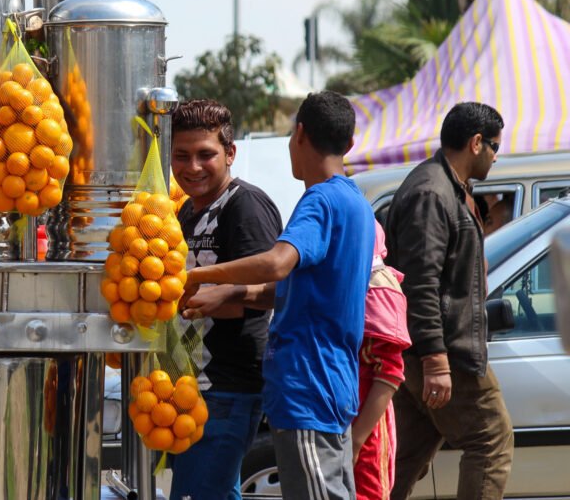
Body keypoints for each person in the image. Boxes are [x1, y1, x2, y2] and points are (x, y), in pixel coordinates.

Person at [183, 91, 376, 500]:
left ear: (299, 133)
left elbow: (276, 263)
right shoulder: (355, 201)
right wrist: (229, 292)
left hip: (307, 383)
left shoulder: (319, 200)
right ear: (350, 144)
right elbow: (292, 290)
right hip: (331, 383)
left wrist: (199, 275)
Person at [385, 102, 513, 500]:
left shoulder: (447, 186)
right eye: (494, 147)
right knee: (491, 441)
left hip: (425, 353)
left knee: (402, 459)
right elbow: (420, 283)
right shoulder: (432, 192)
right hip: (447, 355)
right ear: (476, 143)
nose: (495, 157)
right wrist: (436, 360)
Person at [166, 99, 282, 500]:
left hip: (229, 387)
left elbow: (276, 288)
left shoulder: (244, 205)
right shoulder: (184, 213)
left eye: (206, 155)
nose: (192, 167)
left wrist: (226, 296)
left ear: (230, 154)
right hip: (192, 385)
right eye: (181, 156)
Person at [352, 222, 411, 500]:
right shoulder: (349, 286)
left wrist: (356, 440)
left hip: (368, 430)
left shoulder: (378, 291)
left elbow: (390, 374)